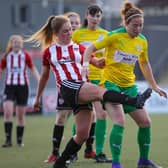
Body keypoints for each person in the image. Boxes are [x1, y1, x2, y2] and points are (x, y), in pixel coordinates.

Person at [26, 15, 151, 168]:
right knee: (100, 91)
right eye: (65, 31)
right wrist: (38, 97)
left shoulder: (79, 48)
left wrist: (102, 63)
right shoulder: (49, 52)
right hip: (67, 87)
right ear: (56, 34)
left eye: (71, 30)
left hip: (81, 89)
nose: (69, 33)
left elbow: (96, 63)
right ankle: (134, 100)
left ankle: (59, 163)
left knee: (82, 134)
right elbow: (44, 77)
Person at [82, 1, 167, 168]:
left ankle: (143, 160)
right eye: (135, 25)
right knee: (120, 122)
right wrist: (85, 66)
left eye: (141, 25)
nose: (138, 29)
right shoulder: (114, 36)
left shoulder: (142, 41)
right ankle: (116, 163)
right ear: (126, 23)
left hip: (130, 87)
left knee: (145, 123)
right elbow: (89, 49)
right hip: (110, 86)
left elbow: (145, 64)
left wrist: (155, 86)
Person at [72, 4, 110, 163]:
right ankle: (72, 153)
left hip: (100, 80)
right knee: (80, 117)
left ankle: (99, 152)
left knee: (101, 114)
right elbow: (71, 55)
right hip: (81, 80)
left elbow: (110, 57)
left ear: (101, 17)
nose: (95, 18)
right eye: (92, 15)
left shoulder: (106, 35)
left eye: (98, 15)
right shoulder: (77, 35)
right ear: (86, 16)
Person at [44, 12, 81, 164]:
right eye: (69, 24)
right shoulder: (53, 50)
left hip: (83, 85)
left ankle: (85, 150)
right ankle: (55, 152)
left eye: (75, 24)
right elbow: (45, 74)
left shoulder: (79, 45)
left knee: (88, 120)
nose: (72, 27)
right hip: (66, 88)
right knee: (61, 117)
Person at [0, 35, 40, 147]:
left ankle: (19, 141)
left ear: (21, 44)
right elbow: (1, 69)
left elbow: (33, 68)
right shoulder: (7, 56)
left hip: (23, 87)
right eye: (15, 42)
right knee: (7, 111)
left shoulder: (25, 55)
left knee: (20, 116)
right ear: (11, 44)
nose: (17, 44)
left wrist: (39, 80)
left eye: (19, 42)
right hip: (9, 87)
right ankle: (8, 141)